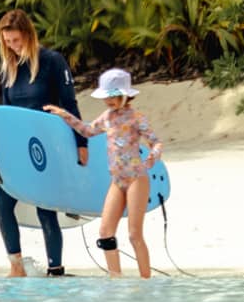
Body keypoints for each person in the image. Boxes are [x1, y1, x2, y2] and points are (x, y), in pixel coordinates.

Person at [0, 10, 86, 278]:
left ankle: (55, 269)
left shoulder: (52, 62)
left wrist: (82, 144)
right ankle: (16, 266)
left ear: (29, 36)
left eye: (16, 41)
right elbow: (5, 114)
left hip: (47, 148)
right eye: (7, 42)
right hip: (18, 151)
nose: (12, 46)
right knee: (2, 201)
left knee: (45, 209)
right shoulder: (7, 70)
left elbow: (69, 104)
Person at [47, 67, 163, 279]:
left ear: (125, 95)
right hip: (117, 181)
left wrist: (154, 156)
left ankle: (146, 281)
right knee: (105, 232)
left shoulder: (137, 117)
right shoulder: (107, 117)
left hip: (136, 177)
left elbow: (156, 142)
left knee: (134, 234)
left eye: (114, 96)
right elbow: (87, 131)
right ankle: (115, 279)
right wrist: (65, 115)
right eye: (107, 97)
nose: (109, 101)